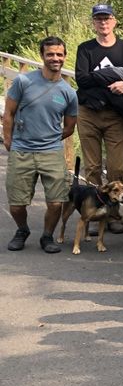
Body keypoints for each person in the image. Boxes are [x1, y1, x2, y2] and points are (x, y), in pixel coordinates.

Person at [3, 36, 78, 253]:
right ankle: (22, 230)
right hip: (21, 150)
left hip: (51, 152)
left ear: (64, 56)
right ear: (42, 56)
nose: (55, 58)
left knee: (56, 201)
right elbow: (8, 113)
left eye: (59, 54)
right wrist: (9, 140)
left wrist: (49, 139)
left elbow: (69, 127)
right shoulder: (23, 82)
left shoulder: (68, 92)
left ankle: (47, 236)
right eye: (50, 54)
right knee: (17, 204)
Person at [74, 3, 123, 233]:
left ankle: (112, 214)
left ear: (114, 21)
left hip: (116, 115)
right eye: (98, 19)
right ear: (94, 22)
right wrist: (114, 74)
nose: (103, 22)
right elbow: (82, 79)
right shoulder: (85, 49)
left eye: (107, 18)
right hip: (88, 112)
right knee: (92, 166)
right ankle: (91, 213)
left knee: (117, 166)